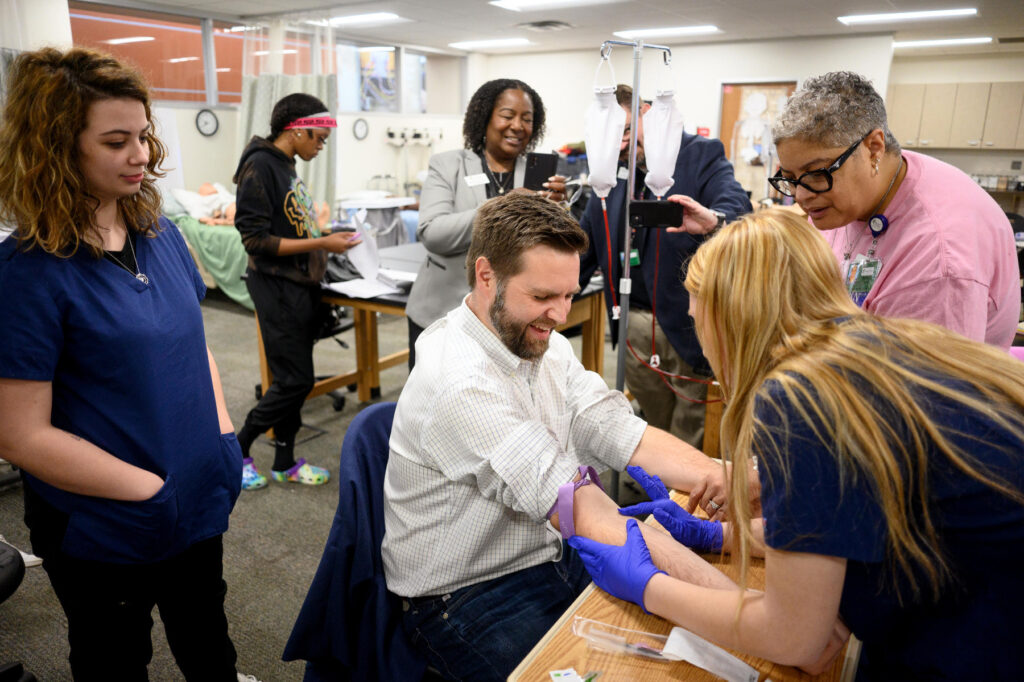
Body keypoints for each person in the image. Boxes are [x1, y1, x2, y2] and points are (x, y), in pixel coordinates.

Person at [569, 208, 1024, 679]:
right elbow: (842, 533)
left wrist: (647, 585)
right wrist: (720, 535)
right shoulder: (872, 346)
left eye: (696, 322)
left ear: (731, 318)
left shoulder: (801, 400)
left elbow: (797, 638)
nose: (703, 346)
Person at [382, 192, 735, 681]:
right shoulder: (459, 380)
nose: (560, 314)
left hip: (547, 553)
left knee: (676, 653)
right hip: (466, 594)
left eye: (568, 295)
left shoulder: (532, 339)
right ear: (487, 276)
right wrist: (743, 610)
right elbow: (576, 502)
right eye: (543, 297)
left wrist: (722, 477)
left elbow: (613, 428)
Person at [0, 47, 246, 680]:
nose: (142, 155)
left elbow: (195, 349)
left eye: (143, 136)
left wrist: (220, 439)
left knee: (208, 643)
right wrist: (148, 489)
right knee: (115, 658)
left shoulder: (159, 233)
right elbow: (19, 433)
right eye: (116, 141)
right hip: (105, 517)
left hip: (193, 490)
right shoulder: (27, 275)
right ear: (57, 148)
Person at [768, 71, 1017, 348]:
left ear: (874, 148)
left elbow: (928, 387)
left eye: (816, 174)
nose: (801, 196)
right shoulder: (867, 186)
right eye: (789, 179)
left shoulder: (938, 257)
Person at [579, 84, 751, 449]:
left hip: (690, 322)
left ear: (647, 112)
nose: (621, 144)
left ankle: (681, 498)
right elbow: (586, 245)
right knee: (654, 425)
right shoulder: (612, 171)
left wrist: (713, 221)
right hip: (633, 325)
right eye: (612, 137)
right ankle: (659, 488)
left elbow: (737, 210)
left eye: (626, 131)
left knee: (691, 429)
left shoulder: (699, 154)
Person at [232, 94, 361, 490]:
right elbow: (255, 240)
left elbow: (292, 227)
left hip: (299, 285)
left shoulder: (286, 165)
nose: (320, 147)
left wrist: (326, 236)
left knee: (292, 379)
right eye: (318, 139)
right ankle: (237, 449)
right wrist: (323, 244)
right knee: (295, 382)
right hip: (276, 287)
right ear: (298, 129)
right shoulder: (259, 165)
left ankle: (285, 462)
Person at [405, 78, 569, 369]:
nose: (517, 126)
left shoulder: (536, 173)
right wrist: (501, 205)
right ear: (485, 119)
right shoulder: (448, 165)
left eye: (527, 119)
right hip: (442, 312)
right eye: (507, 115)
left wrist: (560, 210)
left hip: (511, 322)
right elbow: (432, 233)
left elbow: (558, 250)